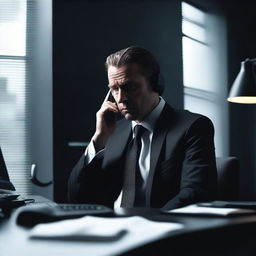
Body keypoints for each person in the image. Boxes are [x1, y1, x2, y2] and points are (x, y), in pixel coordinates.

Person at [68, 46, 217, 210]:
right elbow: (76, 196)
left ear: (156, 85)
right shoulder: (113, 131)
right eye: (114, 89)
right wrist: (99, 138)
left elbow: (195, 193)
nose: (120, 98)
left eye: (129, 87)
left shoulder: (192, 126)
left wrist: (149, 224)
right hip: (111, 228)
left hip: (161, 228)